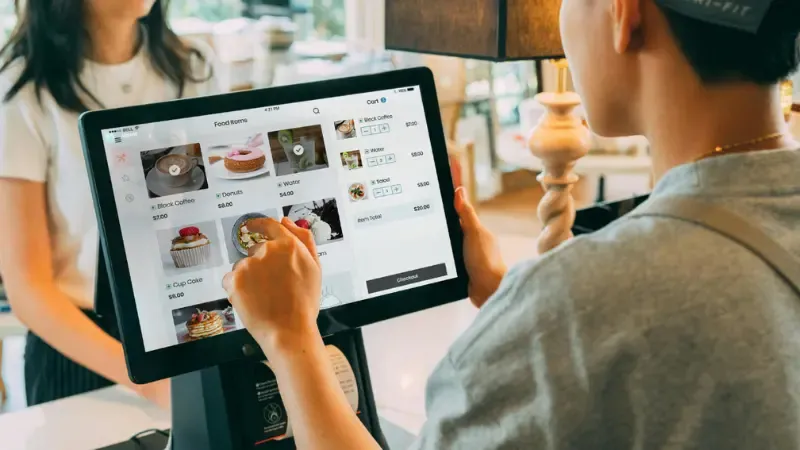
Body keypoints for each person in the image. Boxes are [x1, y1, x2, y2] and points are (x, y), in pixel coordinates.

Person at [224, 0, 800, 448]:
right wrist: (510, 298)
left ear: (626, 15)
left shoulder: (585, 300)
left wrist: (290, 338)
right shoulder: (590, 303)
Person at [0, 0, 215, 408]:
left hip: (187, 327)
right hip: (80, 351)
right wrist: (151, 383)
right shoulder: (21, 88)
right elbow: (27, 287)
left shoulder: (193, 66)